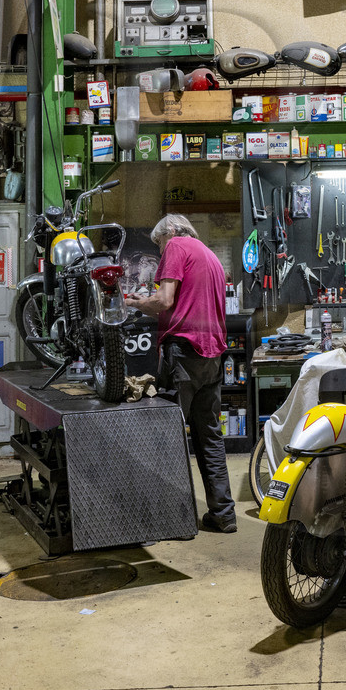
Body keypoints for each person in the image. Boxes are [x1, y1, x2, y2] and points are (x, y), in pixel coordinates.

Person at [127, 213, 235, 533]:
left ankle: (170, 517)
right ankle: (224, 513)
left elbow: (164, 300)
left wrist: (135, 303)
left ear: (171, 231)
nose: (161, 252)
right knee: (209, 437)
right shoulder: (211, 255)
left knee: (167, 437)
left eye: (159, 243)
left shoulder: (176, 245)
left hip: (184, 353)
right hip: (212, 355)